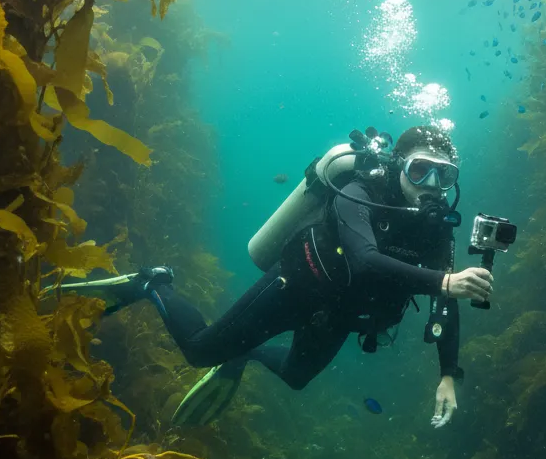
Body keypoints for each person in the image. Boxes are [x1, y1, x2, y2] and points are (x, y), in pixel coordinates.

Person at [68, 125, 492, 428]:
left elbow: (445, 302)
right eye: (421, 170)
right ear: (399, 165)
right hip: (296, 285)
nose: (432, 185)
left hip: (339, 315)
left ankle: (245, 353)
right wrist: (443, 281)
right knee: (199, 351)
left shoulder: (437, 227)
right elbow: (363, 259)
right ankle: (152, 283)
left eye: (445, 175)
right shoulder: (360, 191)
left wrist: (448, 374)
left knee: (295, 376)